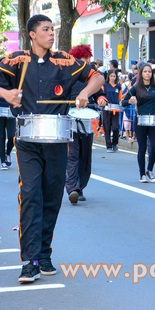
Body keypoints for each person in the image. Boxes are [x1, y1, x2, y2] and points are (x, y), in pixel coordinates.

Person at [0, 14, 104, 284]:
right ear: (32, 35)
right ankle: (30, 261)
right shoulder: (17, 59)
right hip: (27, 140)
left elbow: (97, 76)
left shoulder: (65, 60)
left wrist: (86, 92)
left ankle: (44, 253)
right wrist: (6, 94)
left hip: (58, 140)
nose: (51, 34)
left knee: (51, 197)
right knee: (30, 195)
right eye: (45, 29)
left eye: (52, 29)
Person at [66, 44, 107, 203]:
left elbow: (99, 93)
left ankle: (80, 187)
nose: (88, 61)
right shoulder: (66, 74)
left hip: (87, 119)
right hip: (69, 118)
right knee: (72, 154)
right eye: (85, 58)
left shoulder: (92, 76)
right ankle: (72, 188)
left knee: (85, 155)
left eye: (88, 58)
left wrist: (101, 99)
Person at [122, 62, 155, 183]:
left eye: (149, 72)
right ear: (141, 73)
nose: (147, 74)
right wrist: (130, 101)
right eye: (145, 71)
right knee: (142, 147)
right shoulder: (136, 87)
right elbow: (124, 102)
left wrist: (154, 112)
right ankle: (142, 174)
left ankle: (149, 170)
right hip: (140, 121)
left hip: (153, 120)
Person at [102, 69, 122, 152]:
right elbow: (102, 95)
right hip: (107, 108)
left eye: (114, 76)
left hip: (115, 108)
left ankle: (114, 143)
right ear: (108, 77)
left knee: (115, 127)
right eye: (111, 76)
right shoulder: (105, 85)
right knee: (107, 127)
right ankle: (108, 145)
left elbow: (120, 97)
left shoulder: (118, 86)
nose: (113, 78)